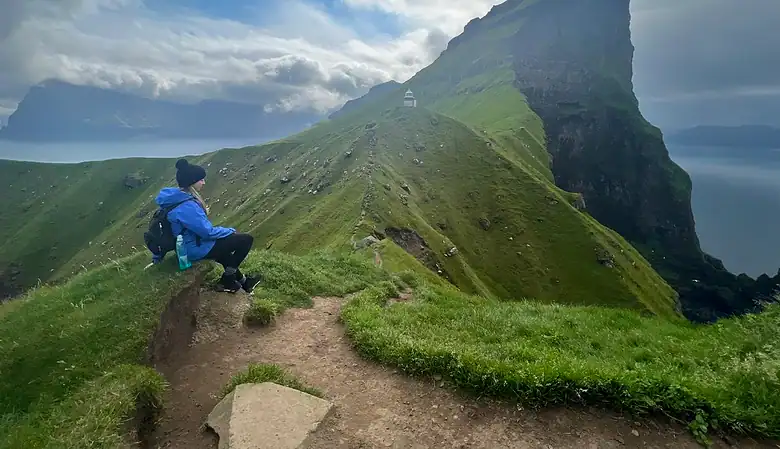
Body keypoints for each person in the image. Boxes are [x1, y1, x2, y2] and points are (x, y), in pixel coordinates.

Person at [153, 158, 261, 293]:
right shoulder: (187, 206)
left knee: (224, 251)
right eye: (201, 180)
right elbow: (207, 232)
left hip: (187, 245)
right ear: (192, 182)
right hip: (195, 249)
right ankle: (227, 280)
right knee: (246, 240)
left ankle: (244, 283)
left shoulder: (175, 199)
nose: (204, 182)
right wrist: (229, 231)